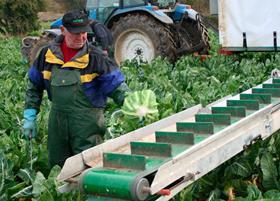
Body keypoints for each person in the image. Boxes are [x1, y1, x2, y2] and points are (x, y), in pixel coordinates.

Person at [22, 10, 129, 168]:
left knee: (89, 168)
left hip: (87, 126)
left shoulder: (96, 58)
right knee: (58, 168)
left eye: (84, 33)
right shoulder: (46, 55)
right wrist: (29, 115)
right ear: (63, 30)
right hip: (57, 124)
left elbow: (117, 87)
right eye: (75, 33)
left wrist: (132, 103)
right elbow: (34, 86)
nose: (81, 37)